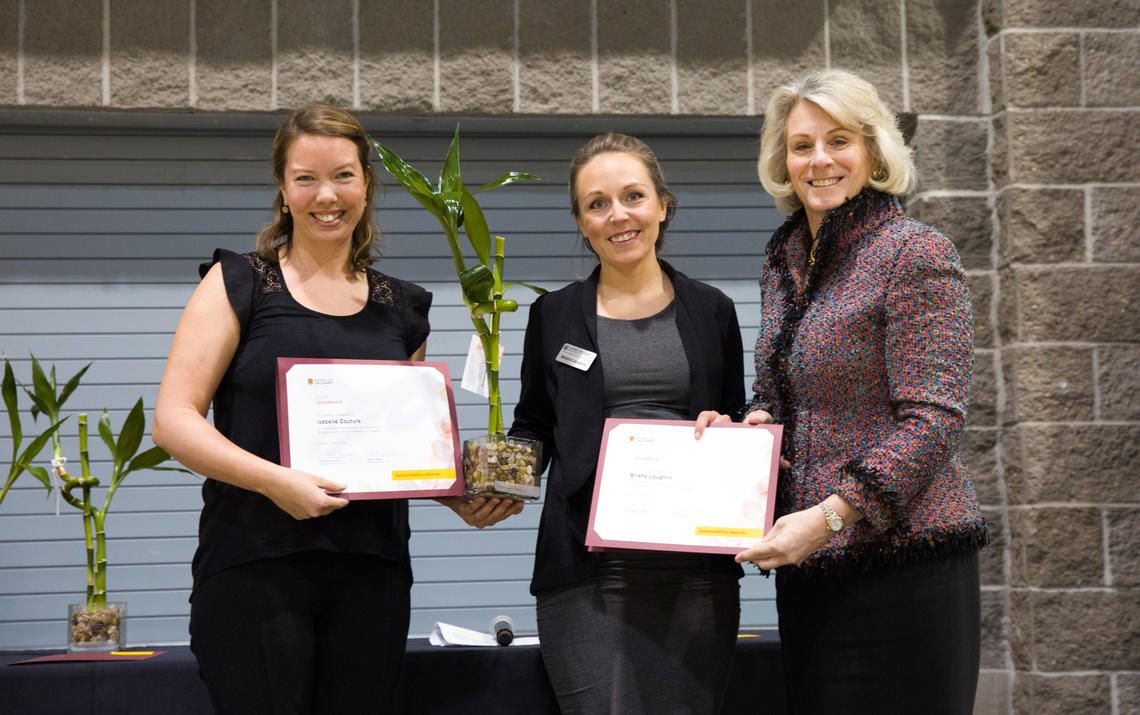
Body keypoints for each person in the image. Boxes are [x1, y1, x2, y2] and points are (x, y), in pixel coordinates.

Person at [153, 103, 519, 714]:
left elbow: (397, 446)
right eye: (307, 177)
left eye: (344, 175)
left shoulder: (403, 308)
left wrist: (458, 494)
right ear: (283, 186)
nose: (327, 195)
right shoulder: (238, 282)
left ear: (367, 182)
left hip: (370, 572)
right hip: (254, 565)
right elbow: (173, 421)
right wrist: (277, 482)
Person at [695, 69, 987, 713]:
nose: (819, 160)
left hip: (905, 565)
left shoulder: (916, 253)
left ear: (875, 151)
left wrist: (830, 517)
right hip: (811, 570)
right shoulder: (784, 257)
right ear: (783, 160)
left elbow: (933, 420)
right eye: (802, 145)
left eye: (839, 140)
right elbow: (778, 389)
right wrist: (747, 431)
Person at [509, 133, 747, 714]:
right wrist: (495, 482)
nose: (618, 215)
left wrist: (731, 432)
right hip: (585, 573)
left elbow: (740, 420)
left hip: (695, 574)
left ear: (662, 205)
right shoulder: (553, 314)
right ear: (580, 220)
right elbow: (534, 424)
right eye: (597, 203)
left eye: (633, 196)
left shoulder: (712, 309)